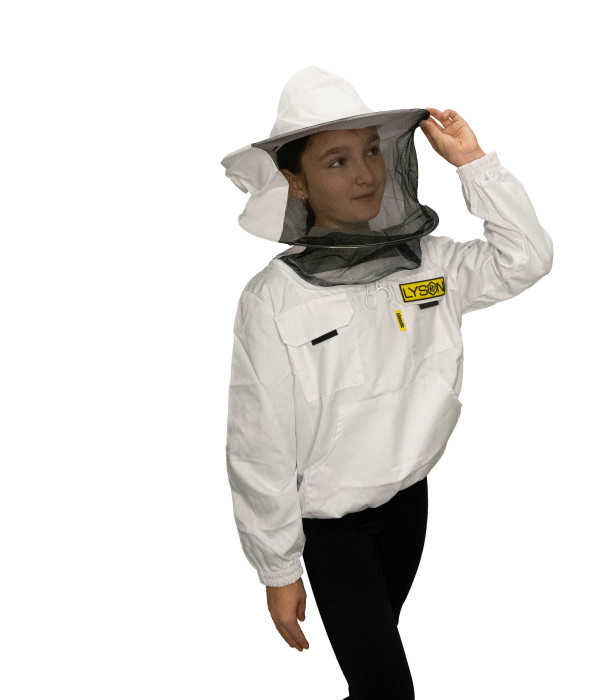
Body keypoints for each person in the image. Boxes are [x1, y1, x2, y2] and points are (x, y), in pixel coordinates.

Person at [221, 66, 553, 700]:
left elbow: (526, 259)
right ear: (296, 181)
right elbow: (258, 443)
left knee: (376, 670)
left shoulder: (432, 265)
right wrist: (277, 567)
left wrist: (474, 164)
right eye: (338, 160)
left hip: (409, 504)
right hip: (331, 528)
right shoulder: (272, 299)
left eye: (373, 150)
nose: (366, 174)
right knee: (386, 688)